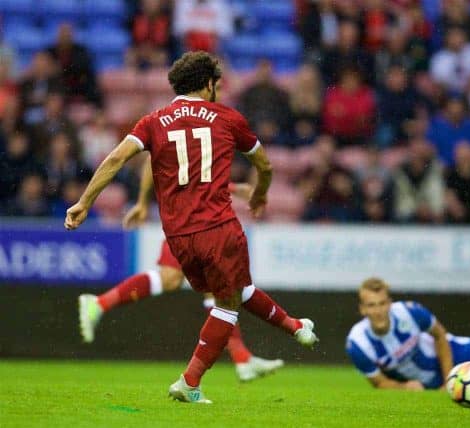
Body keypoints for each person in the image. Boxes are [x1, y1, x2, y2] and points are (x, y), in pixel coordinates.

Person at [64, 51, 318, 403]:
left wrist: (84, 202)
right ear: (208, 84)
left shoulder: (153, 121)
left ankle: (295, 328)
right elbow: (266, 165)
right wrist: (259, 195)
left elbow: (116, 158)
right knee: (228, 302)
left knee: (235, 291)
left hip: (180, 237)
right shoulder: (227, 118)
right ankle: (190, 382)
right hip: (219, 227)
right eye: (217, 84)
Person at [78, 157, 283, 382]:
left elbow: (196, 179)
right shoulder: (173, 128)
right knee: (172, 278)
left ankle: (242, 360)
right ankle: (98, 303)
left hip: (195, 219)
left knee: (216, 291)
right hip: (186, 222)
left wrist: (231, 188)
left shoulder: (189, 131)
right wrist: (143, 202)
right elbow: (154, 162)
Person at [346, 278, 470, 390]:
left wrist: (448, 381)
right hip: (420, 382)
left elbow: (439, 335)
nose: (378, 311)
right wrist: (403, 388)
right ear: (362, 309)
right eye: (372, 305)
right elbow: (379, 383)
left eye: (382, 303)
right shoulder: (357, 344)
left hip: (446, 354)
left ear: (390, 303)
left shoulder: (411, 312)